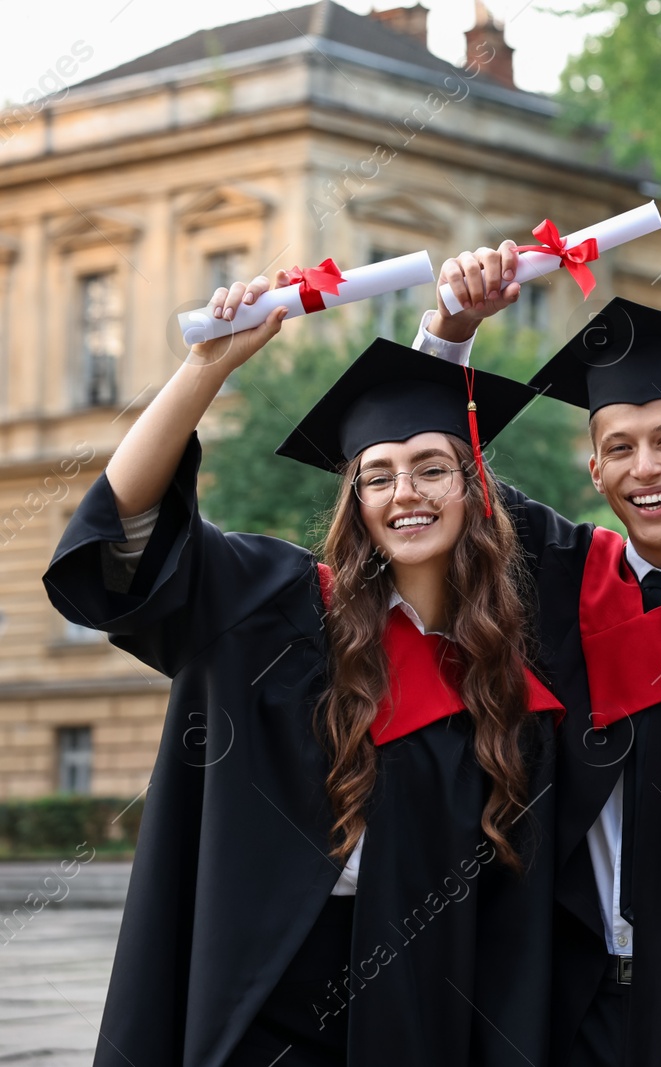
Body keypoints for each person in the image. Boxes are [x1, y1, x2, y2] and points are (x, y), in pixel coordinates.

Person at [43, 280, 564, 1067]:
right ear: (355, 502)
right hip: (262, 999)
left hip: (418, 1009)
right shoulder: (277, 608)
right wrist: (204, 370)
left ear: (473, 491)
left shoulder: (499, 678)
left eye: (430, 469)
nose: (405, 494)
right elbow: (126, 536)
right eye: (378, 475)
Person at [412, 272, 661, 1067]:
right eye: (620, 449)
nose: (647, 468)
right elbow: (442, 475)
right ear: (593, 471)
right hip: (574, 1001)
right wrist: (451, 334)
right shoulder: (562, 579)